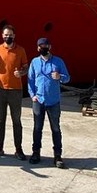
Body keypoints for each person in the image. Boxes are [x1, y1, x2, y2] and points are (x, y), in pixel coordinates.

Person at [27, 37, 71, 168]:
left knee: (55, 128)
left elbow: (67, 78)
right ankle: (36, 153)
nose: (43, 48)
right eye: (41, 46)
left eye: (45, 46)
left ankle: (57, 155)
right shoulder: (34, 62)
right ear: (37, 48)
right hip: (38, 101)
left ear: (49, 47)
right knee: (37, 128)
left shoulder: (58, 61)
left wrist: (60, 77)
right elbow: (30, 80)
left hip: (53, 101)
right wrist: (32, 95)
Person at [0, 24, 28, 160]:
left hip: (15, 91)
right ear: (2, 36)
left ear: (14, 36)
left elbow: (26, 67)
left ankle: (18, 149)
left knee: (16, 121)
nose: (8, 37)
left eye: (10, 35)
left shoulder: (21, 50)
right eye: (6, 35)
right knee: (0, 120)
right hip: (0, 90)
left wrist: (21, 73)